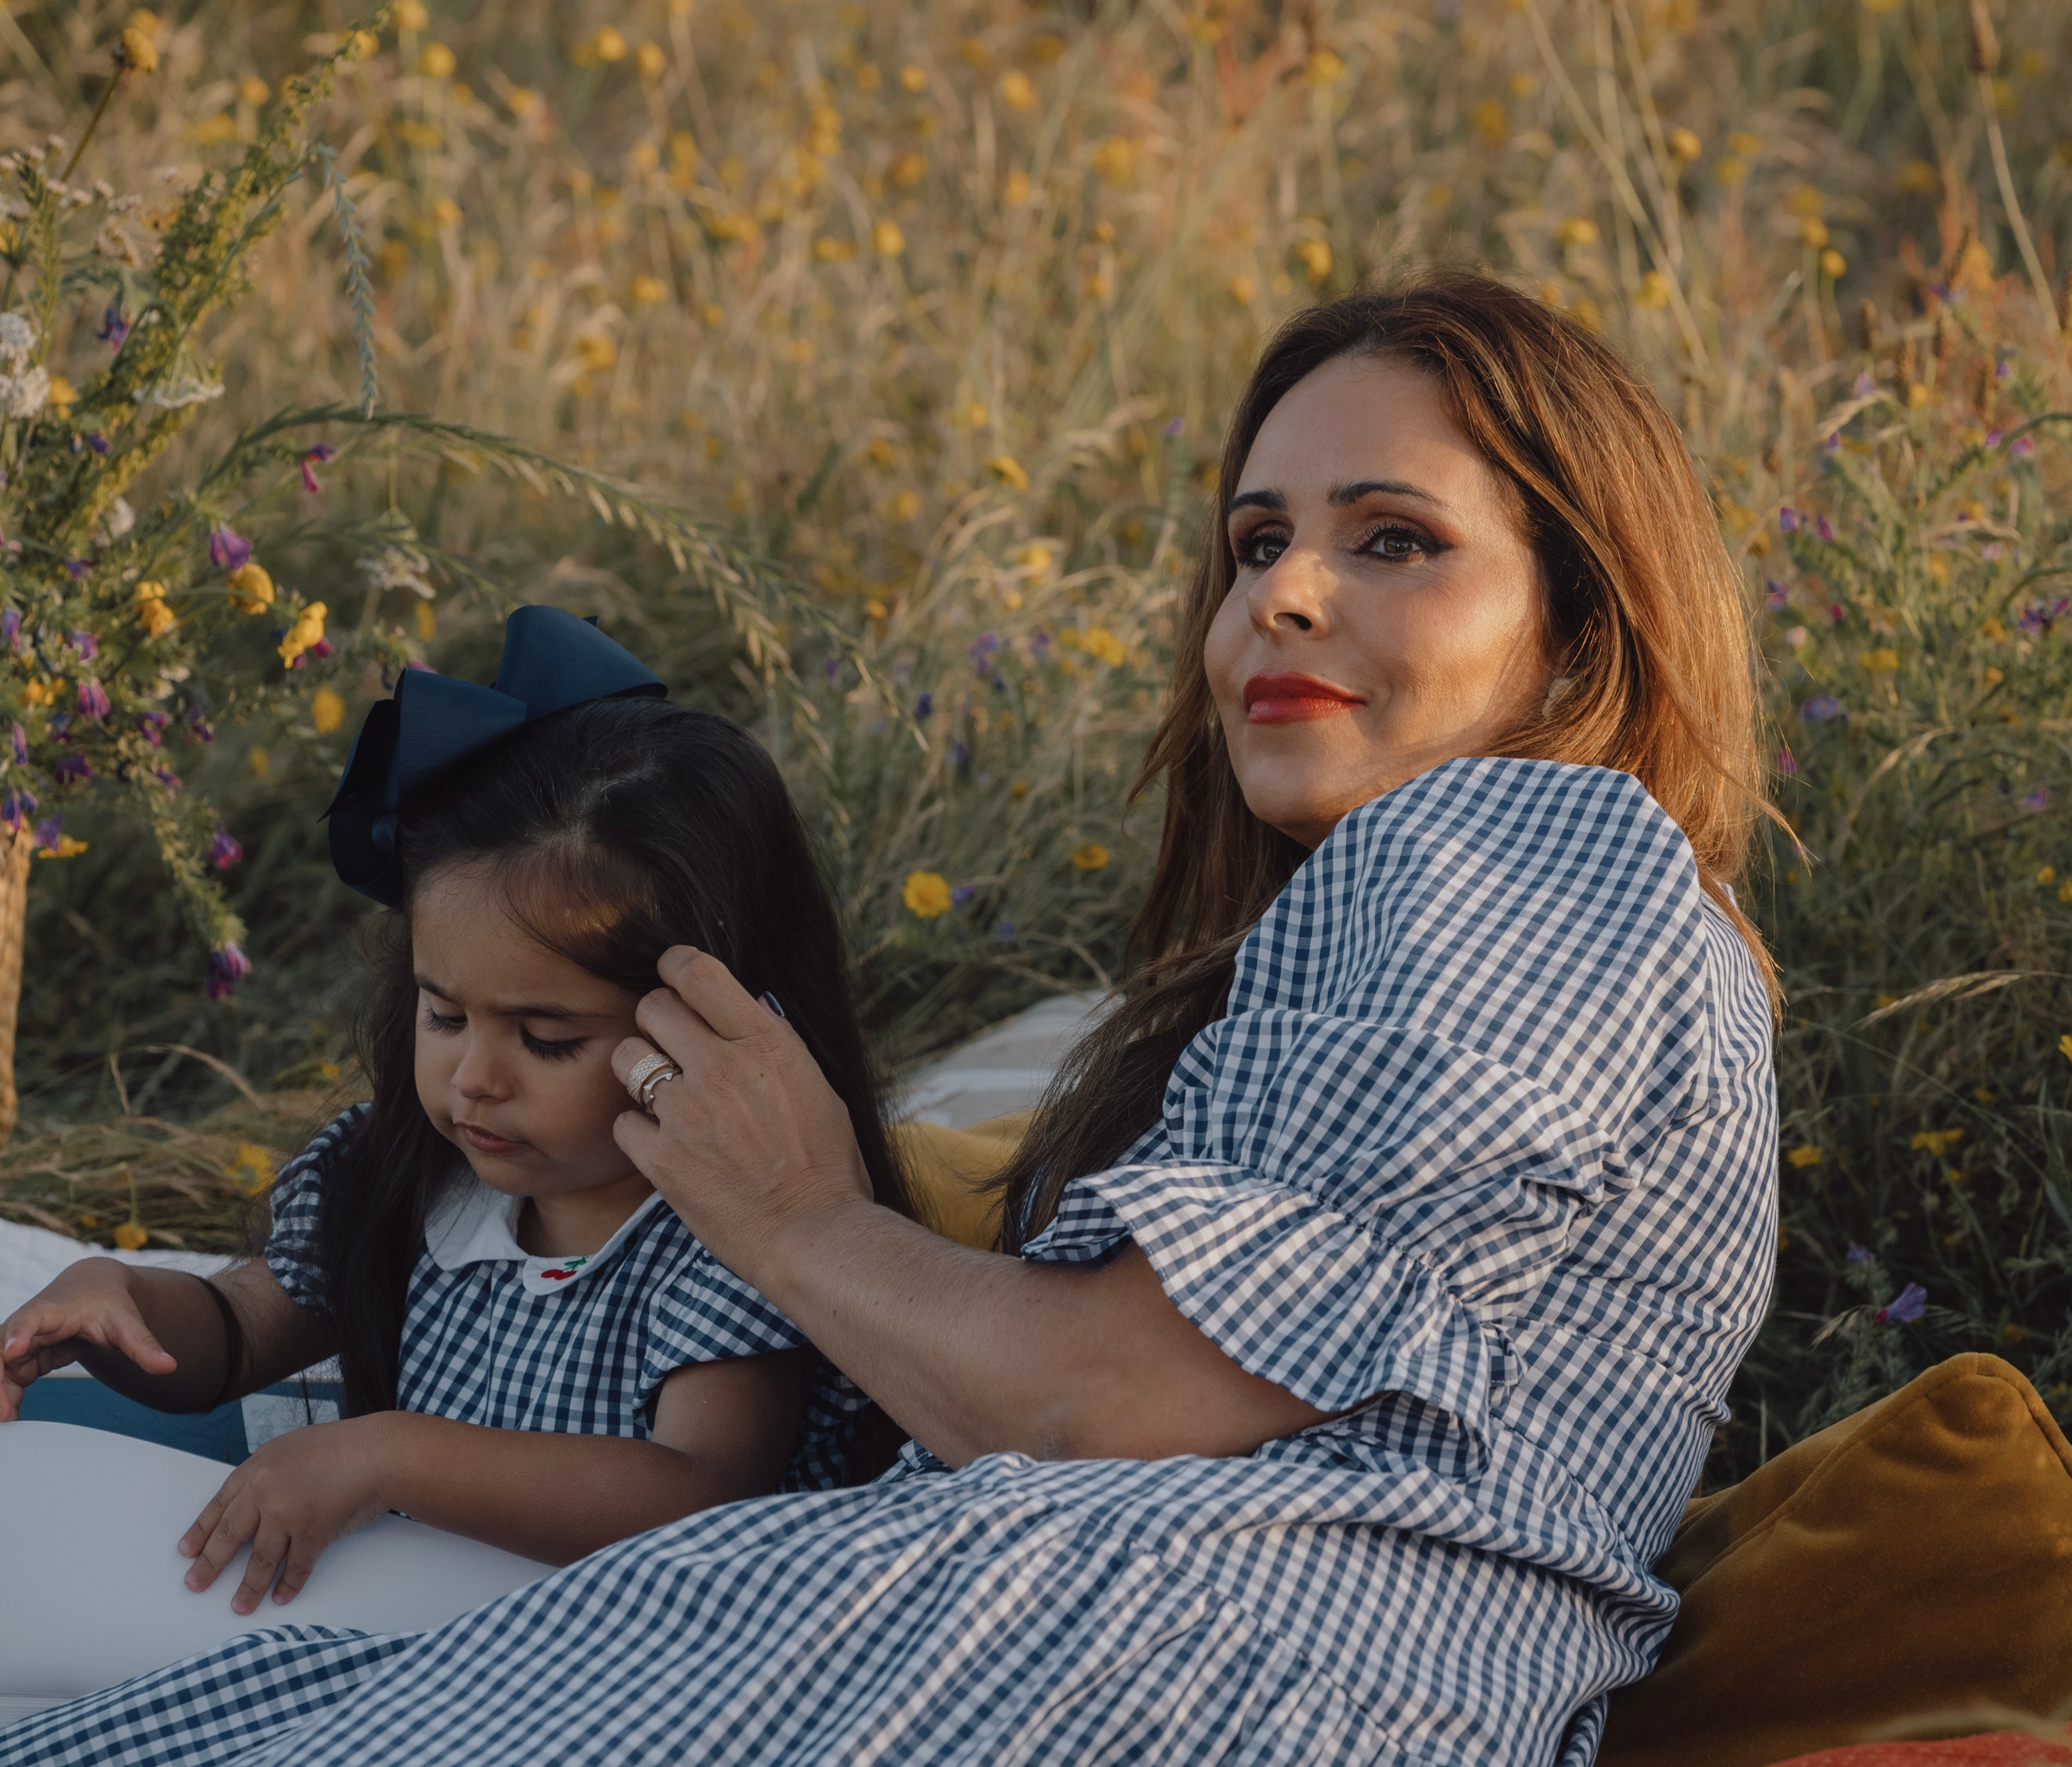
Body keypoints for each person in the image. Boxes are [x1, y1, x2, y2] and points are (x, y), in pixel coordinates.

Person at [3, 270, 1779, 1766]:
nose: (1279, 598)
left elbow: (1107, 1395)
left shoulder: (1530, 841)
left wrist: (793, 1221)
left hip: (1188, 1669)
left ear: (1572, 624)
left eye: (1391, 539)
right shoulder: (1399, 908)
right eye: (1253, 544)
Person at [0, 608, 913, 1619]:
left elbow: (696, 1493)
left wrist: (395, 1454)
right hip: (396, 1589)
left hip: (592, 1639)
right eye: (444, 1012)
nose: (475, 1076)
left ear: (713, 1024)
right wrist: (118, 1299)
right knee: (49, 1435)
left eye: (547, 1037)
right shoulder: (411, 1174)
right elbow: (237, 1330)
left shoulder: (723, 1233)